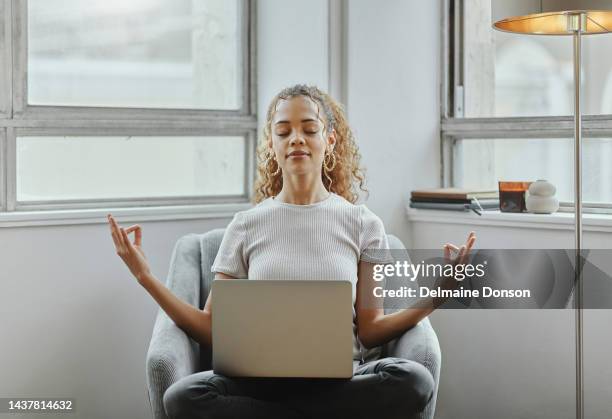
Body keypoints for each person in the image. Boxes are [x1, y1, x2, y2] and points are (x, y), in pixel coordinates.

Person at [107, 84, 476, 419]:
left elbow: (371, 329)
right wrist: (145, 277)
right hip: (260, 383)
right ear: (273, 142)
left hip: (341, 380)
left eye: (309, 129)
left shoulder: (365, 224)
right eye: (283, 131)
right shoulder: (246, 225)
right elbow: (211, 328)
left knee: (413, 379)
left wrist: (437, 296)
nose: (296, 138)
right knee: (183, 396)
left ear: (329, 140)